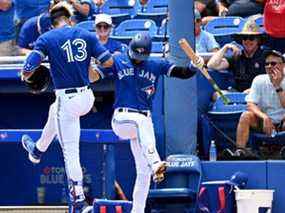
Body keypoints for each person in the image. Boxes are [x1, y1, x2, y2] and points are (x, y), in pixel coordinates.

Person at [92, 32, 203, 213]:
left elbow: (180, 73)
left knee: (143, 173)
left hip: (143, 121)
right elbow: (96, 75)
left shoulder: (155, 64)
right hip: (122, 119)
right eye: (135, 55)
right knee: (141, 123)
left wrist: (192, 66)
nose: (136, 60)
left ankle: (138, 210)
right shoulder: (119, 60)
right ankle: (156, 162)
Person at [20, 2, 113, 212]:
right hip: (87, 97)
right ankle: (37, 149)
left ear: (52, 24)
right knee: (54, 111)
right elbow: (107, 62)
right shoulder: (86, 34)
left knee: (70, 152)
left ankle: (79, 201)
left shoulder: (47, 38)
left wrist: (27, 75)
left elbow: (27, 69)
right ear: (70, 20)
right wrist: (90, 69)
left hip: (67, 100)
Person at [234, 50, 285, 156]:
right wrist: (264, 117)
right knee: (245, 116)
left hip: (283, 121)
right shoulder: (259, 79)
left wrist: (277, 86)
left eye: (273, 63)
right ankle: (240, 152)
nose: (270, 66)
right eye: (267, 64)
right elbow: (250, 104)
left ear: (282, 65)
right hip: (264, 122)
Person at [207, 19, 266, 98]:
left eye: (251, 38)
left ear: (258, 40)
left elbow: (270, 80)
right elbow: (211, 65)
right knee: (217, 95)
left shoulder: (265, 56)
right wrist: (225, 47)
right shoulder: (237, 56)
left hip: (259, 94)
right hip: (238, 94)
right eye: (245, 38)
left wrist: (252, 90)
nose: (248, 41)